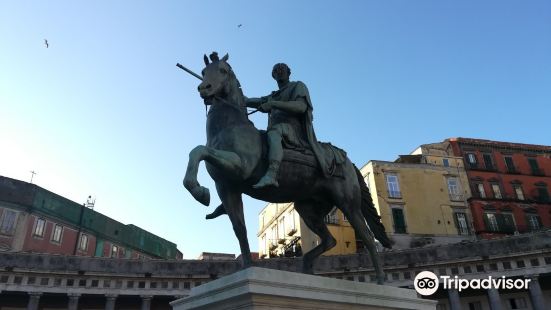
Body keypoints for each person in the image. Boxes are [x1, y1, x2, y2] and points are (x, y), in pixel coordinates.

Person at [246, 63, 330, 188]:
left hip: (294, 131)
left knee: (274, 132)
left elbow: (301, 107)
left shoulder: (298, 86)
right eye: (276, 70)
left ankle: (272, 174)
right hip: (277, 130)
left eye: (282, 69)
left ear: (288, 72)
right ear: (273, 76)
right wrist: (235, 97)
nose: (279, 71)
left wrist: (274, 104)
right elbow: (254, 101)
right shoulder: (274, 95)